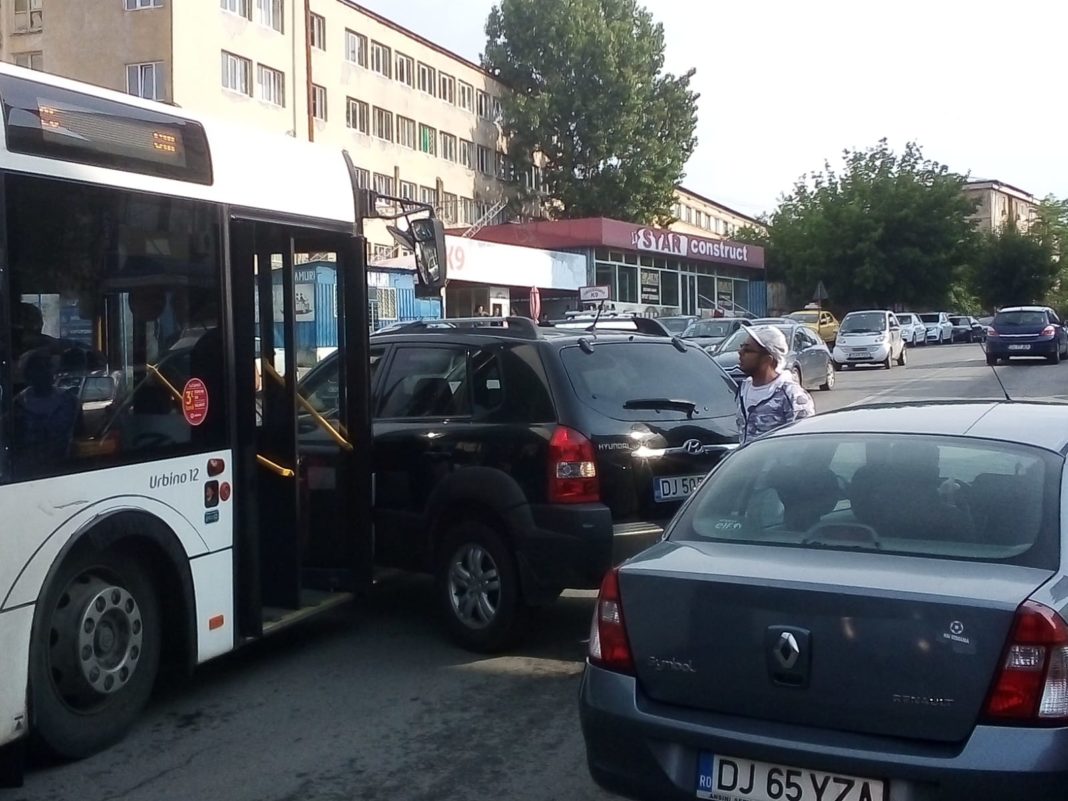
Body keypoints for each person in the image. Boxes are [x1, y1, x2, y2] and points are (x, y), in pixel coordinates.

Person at [735, 325, 814, 445]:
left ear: (767, 359)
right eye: (741, 347)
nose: (740, 353)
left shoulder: (791, 395)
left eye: (748, 350)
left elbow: (805, 442)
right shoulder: (743, 389)